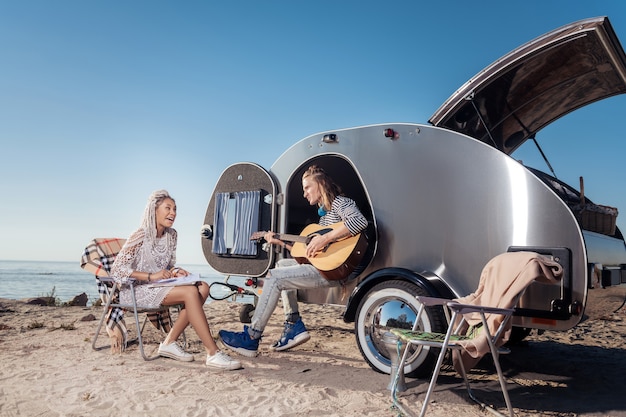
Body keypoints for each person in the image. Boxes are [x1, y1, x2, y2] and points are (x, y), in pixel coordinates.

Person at [219, 165, 368, 357]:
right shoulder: (323, 221)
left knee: (274, 277)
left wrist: (324, 238)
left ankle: (252, 337)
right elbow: (307, 256)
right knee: (281, 266)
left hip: (334, 272)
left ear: (321, 184)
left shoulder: (340, 203)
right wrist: (277, 241)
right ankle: (292, 324)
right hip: (322, 267)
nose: (304, 193)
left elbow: (359, 221)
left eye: (307, 187)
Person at [110, 189, 241, 370]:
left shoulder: (172, 235)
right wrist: (150, 276)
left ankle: (169, 343)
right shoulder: (140, 235)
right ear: (154, 210)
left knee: (203, 287)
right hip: (136, 291)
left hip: (160, 286)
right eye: (168, 208)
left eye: (175, 209)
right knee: (190, 292)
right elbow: (117, 270)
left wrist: (176, 271)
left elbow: (169, 265)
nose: (173, 213)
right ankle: (212, 353)